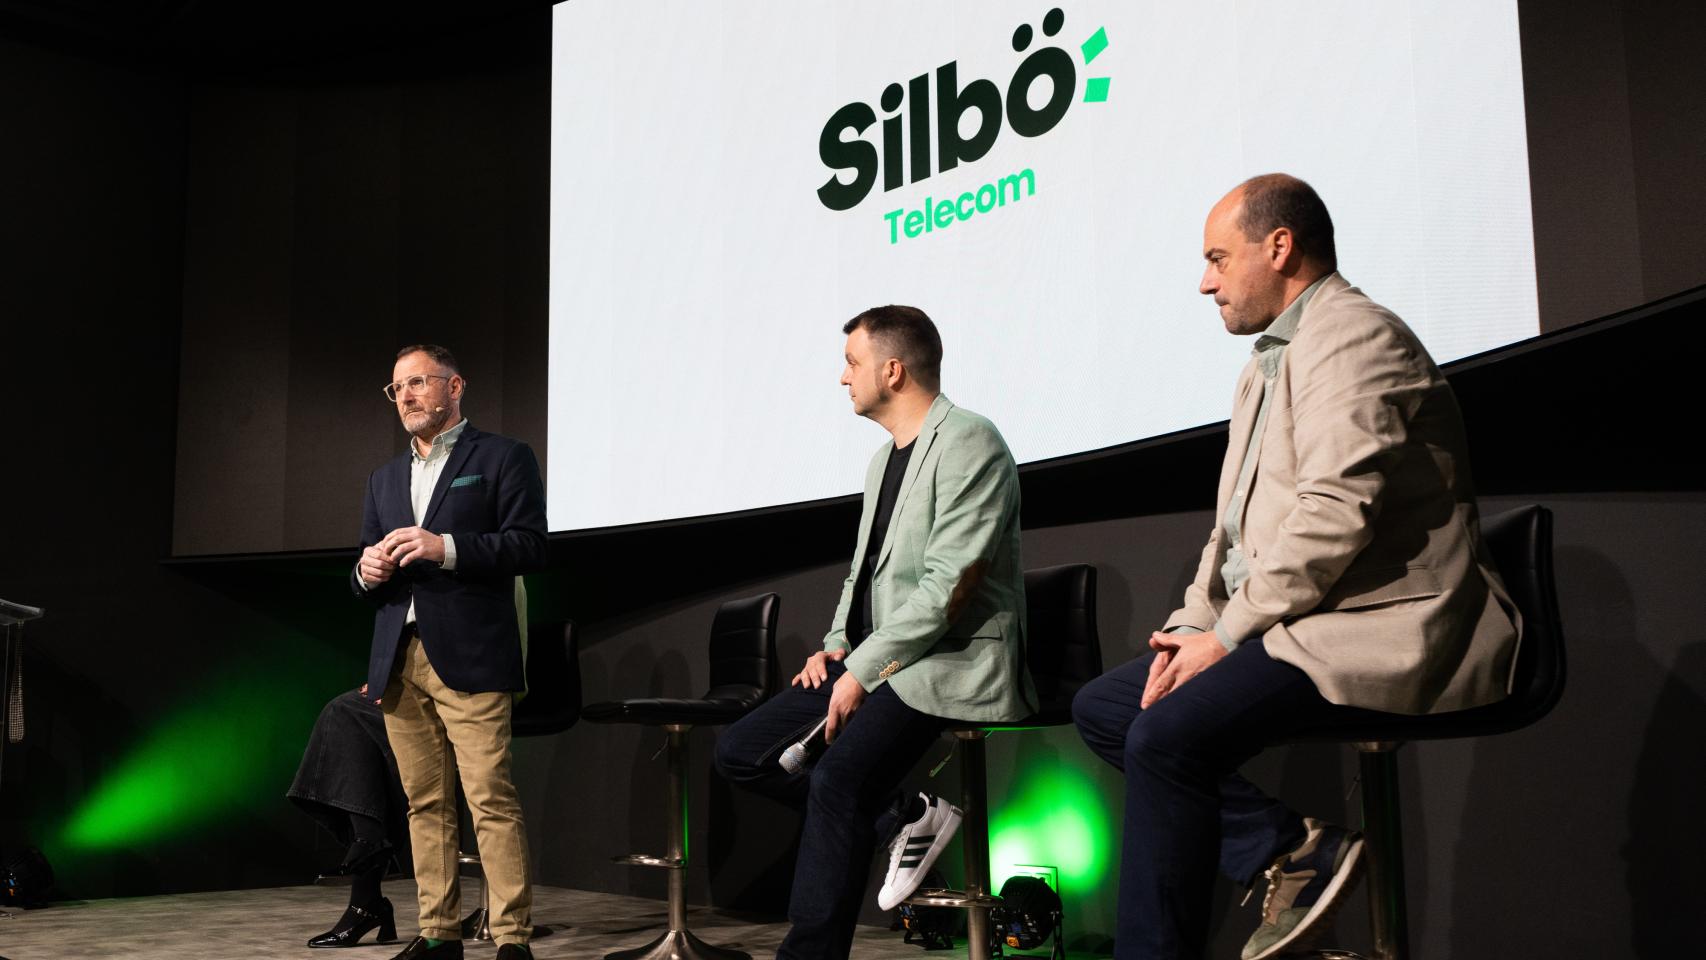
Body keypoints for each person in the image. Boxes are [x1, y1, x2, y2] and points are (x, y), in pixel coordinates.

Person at [1071, 174, 1521, 960]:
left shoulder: (1353, 335)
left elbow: (1333, 516)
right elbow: (1233, 535)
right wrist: (1190, 627)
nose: (1204, 281)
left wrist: (1228, 635)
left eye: (1217, 258)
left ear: (1279, 247)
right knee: (1109, 708)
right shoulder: (1266, 362)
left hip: (1375, 621)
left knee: (1166, 736)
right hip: (1299, 618)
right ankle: (1288, 849)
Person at [713, 306, 1038, 960]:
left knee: (836, 784)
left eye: (852, 363)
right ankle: (903, 817)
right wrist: (837, 644)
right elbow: (861, 578)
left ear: (893, 369)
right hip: (878, 659)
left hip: (947, 659)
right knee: (742, 751)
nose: (843, 378)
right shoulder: (879, 462)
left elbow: (951, 587)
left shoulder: (971, 440)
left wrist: (862, 670)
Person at [355, 344, 546, 960]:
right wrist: (365, 569)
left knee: (489, 796)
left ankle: (512, 937)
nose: (406, 396)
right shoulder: (384, 478)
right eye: (397, 389)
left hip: (471, 651)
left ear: (454, 385)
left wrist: (447, 548)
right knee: (424, 803)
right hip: (400, 656)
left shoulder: (501, 457)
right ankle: (439, 933)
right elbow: (359, 570)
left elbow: (528, 547)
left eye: (417, 383)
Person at [287, 684, 409, 948]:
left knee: (346, 712)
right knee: (348, 713)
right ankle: (369, 851)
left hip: (461, 692)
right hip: (421, 683)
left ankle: (367, 894)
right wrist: (385, 678)